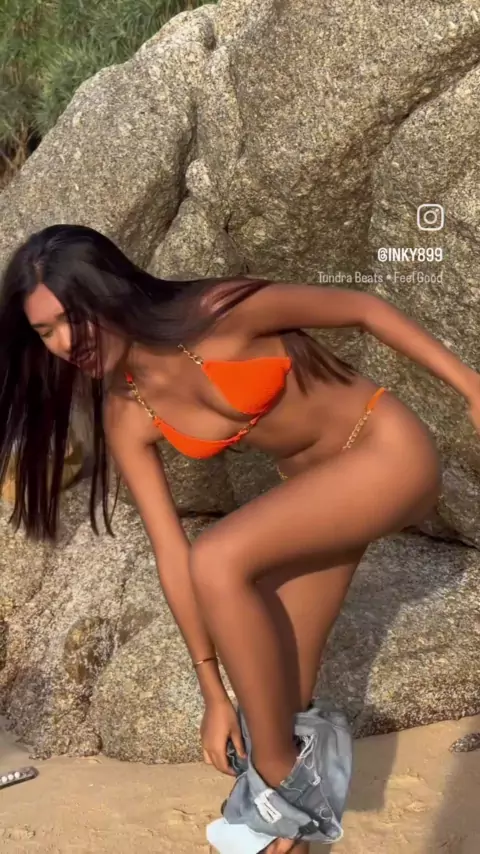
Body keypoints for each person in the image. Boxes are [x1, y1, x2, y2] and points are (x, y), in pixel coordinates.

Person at [1, 223, 479, 854]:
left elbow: (363, 308)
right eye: (45, 332)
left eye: (73, 318)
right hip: (322, 499)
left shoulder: (219, 312)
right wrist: (212, 692)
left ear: (109, 292)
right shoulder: (125, 410)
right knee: (274, 698)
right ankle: (290, 827)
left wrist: (472, 388)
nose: (66, 343)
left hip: (386, 451)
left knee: (221, 557)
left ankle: (277, 790)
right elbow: (170, 555)